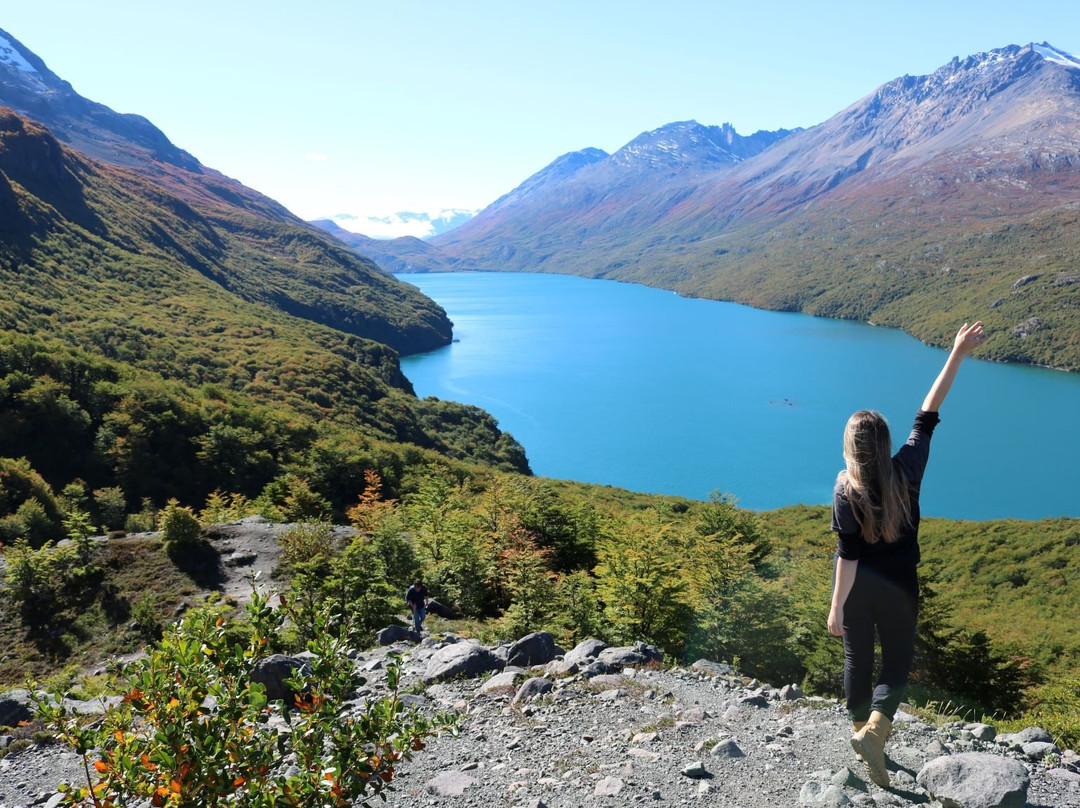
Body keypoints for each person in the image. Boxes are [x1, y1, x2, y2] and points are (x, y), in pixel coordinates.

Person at [827, 321, 985, 787]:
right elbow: (928, 412)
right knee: (896, 659)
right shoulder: (908, 468)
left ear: (852, 448)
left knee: (857, 657)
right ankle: (876, 730)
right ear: (885, 444)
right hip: (900, 586)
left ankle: (863, 733)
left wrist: (836, 606)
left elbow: (847, 555)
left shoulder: (843, 489)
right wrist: (956, 352)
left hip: (858, 591)